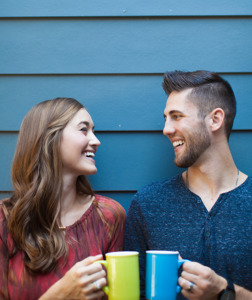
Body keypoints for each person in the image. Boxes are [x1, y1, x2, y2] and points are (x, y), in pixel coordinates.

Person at [124, 71, 252, 299]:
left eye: (177, 116)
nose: (166, 129)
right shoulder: (148, 203)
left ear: (215, 119)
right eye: (166, 118)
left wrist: (225, 293)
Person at [0, 97, 126, 300]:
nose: (96, 141)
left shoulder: (109, 215)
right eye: (84, 129)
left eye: (93, 131)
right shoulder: (4, 220)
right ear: (50, 138)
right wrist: (60, 296)